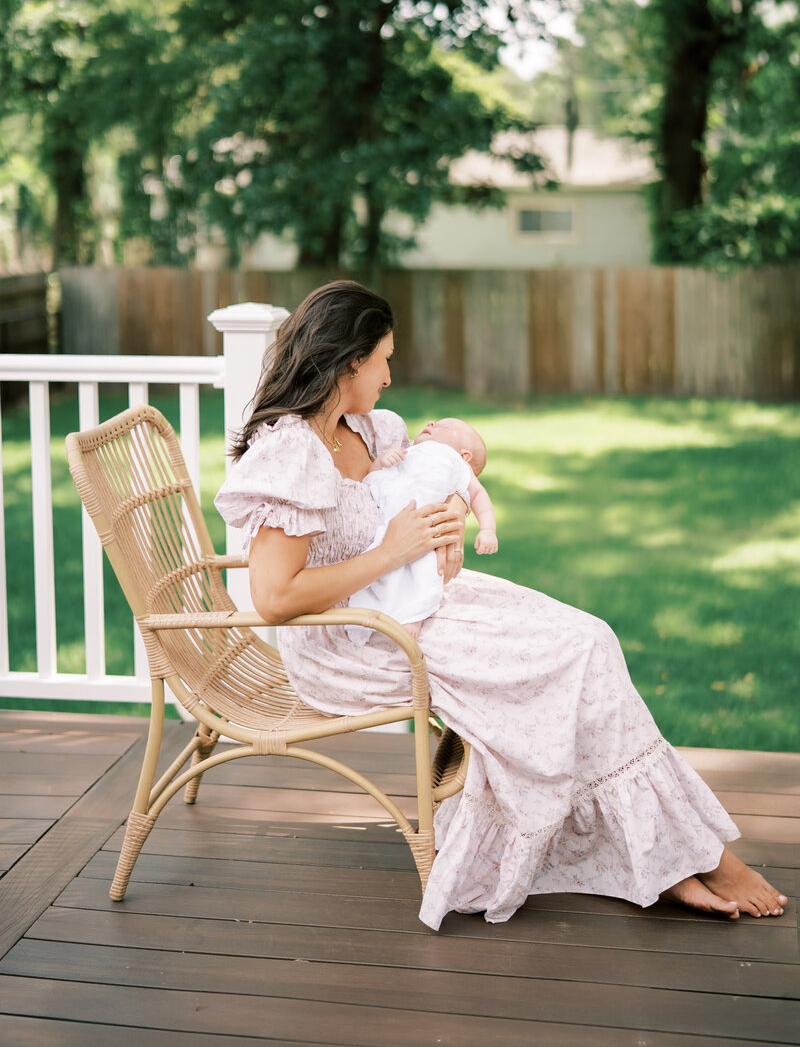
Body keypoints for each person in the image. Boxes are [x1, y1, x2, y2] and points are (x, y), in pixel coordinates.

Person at [214, 279, 787, 932]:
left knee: (589, 638)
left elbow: (432, 483)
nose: (390, 376)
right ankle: (696, 857)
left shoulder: (365, 431)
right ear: (350, 362)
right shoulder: (293, 450)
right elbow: (273, 598)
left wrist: (449, 517)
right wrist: (396, 552)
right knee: (571, 655)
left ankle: (671, 854)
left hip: (407, 606)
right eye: (385, 359)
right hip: (352, 641)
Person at [346, 417, 498, 641]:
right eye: (433, 423)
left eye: (443, 426)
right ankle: (375, 612)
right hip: (389, 523)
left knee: (425, 571)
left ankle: (414, 617)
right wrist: (382, 461)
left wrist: (487, 530)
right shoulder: (408, 451)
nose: (431, 424)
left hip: (424, 528)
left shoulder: (455, 462)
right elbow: (375, 475)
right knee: (382, 573)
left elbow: (477, 495)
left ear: (464, 455)